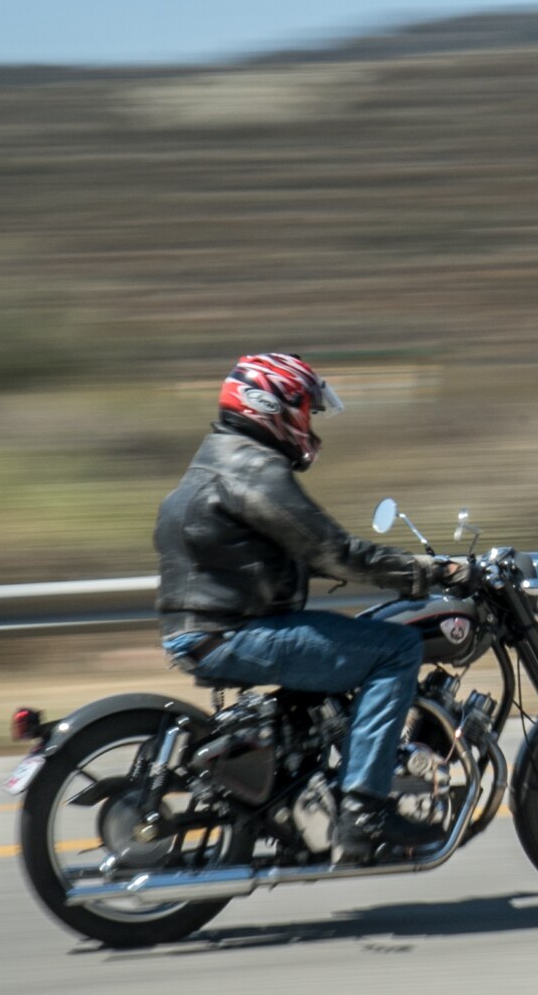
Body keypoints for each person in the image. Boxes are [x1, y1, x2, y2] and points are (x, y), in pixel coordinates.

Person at [153, 352, 457, 858]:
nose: (309, 425)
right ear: (270, 405)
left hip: (209, 628)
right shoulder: (251, 468)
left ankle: (316, 780)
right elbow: (329, 548)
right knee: (396, 648)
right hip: (233, 633)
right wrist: (424, 573)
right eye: (306, 411)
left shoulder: (216, 459)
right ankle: (364, 809)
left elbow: (270, 552)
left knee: (351, 643)